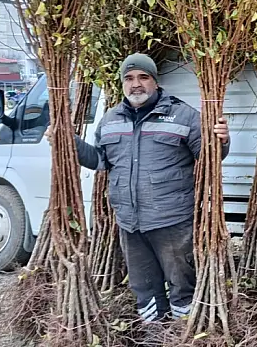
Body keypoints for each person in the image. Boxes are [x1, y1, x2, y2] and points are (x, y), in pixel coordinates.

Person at [46, 53, 230, 323]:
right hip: (130, 222)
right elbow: (99, 160)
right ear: (122, 83)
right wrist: (67, 141)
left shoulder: (183, 115)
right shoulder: (110, 120)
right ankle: (154, 334)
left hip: (172, 220)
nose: (136, 84)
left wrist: (222, 141)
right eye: (129, 78)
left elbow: (209, 156)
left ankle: (181, 334)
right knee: (144, 286)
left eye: (143, 77)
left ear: (155, 81)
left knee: (182, 284)